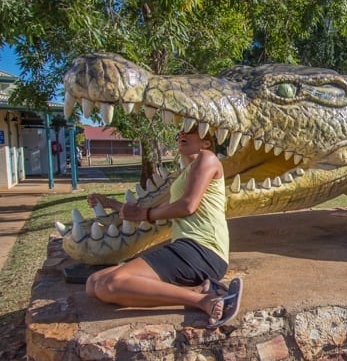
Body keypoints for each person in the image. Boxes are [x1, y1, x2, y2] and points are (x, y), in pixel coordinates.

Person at [85, 126, 242, 328]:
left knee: (110, 284)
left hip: (204, 250)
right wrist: (112, 204)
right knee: (93, 283)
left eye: (192, 130)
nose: (183, 134)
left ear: (206, 142)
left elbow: (188, 206)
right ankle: (198, 291)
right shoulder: (186, 174)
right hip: (187, 249)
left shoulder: (208, 158)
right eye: (181, 131)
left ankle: (205, 300)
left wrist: (145, 214)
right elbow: (159, 209)